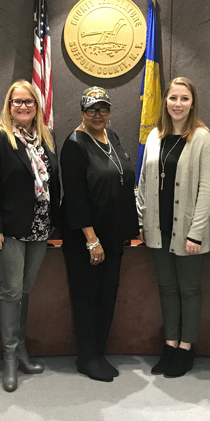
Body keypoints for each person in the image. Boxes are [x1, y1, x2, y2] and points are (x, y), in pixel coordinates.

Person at [0, 80, 59, 392]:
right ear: (8, 105)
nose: (23, 107)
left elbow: (54, 181)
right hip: (8, 231)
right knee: (11, 292)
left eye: (28, 102)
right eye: (17, 102)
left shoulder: (45, 138)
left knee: (25, 291)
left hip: (39, 228)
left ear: (37, 106)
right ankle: (9, 358)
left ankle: (22, 351)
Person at [137, 77, 210, 378]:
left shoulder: (202, 139)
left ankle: (186, 348)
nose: (178, 104)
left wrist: (196, 232)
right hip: (158, 229)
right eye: (173, 98)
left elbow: (207, 190)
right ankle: (169, 344)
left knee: (189, 290)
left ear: (192, 103)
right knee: (167, 289)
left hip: (188, 232)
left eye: (184, 99)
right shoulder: (155, 136)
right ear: (165, 102)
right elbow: (144, 183)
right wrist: (143, 220)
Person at [60, 87, 138, 382]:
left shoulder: (112, 136)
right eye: (91, 110)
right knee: (87, 298)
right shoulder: (74, 144)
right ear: (82, 112)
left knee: (107, 295)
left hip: (114, 232)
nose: (98, 115)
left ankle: (99, 352)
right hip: (86, 238)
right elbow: (76, 198)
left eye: (103, 109)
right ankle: (86, 357)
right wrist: (92, 240)